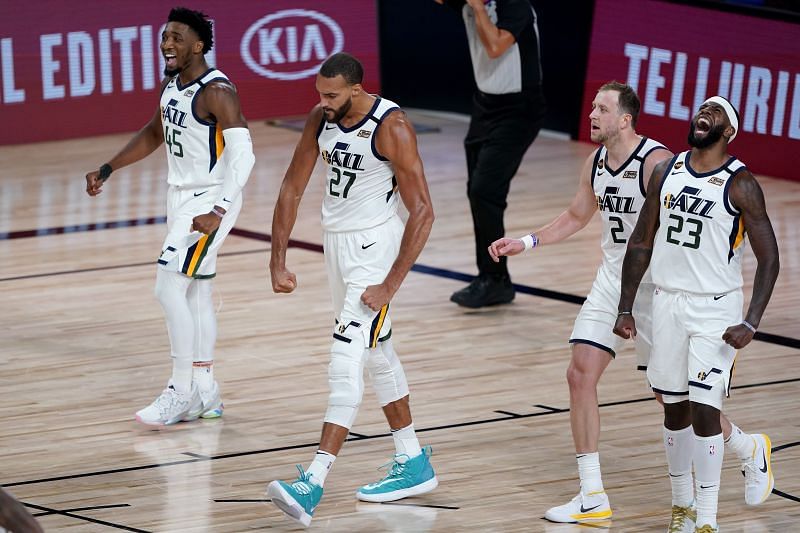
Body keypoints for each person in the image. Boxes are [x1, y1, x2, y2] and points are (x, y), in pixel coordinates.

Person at [489, 84, 773, 529]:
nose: (592, 115)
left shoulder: (659, 164)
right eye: (593, 107)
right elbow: (577, 215)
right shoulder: (596, 161)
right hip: (614, 282)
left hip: (662, 289)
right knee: (579, 372)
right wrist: (527, 241)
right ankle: (592, 495)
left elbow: (665, 235)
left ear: (626, 119)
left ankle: (746, 448)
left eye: (603, 109)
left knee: (677, 401)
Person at [266, 52, 437, 528]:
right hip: (336, 248)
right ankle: (412, 461)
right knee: (377, 352)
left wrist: (390, 284)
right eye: (319, 93)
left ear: (357, 90)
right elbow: (291, 187)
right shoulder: (320, 118)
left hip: (374, 251)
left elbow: (423, 210)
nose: (322, 102)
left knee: (345, 359)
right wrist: (277, 259)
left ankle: (313, 481)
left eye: (331, 95)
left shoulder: (391, 126)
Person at [614, 96, 779, 533]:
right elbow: (641, 241)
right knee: (674, 409)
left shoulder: (740, 183)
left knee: (705, 410)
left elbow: (770, 259)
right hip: (666, 302)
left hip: (715, 311)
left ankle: (707, 521)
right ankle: (682, 508)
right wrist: (626, 306)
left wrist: (751, 321)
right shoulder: (667, 171)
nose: (705, 113)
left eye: (717, 113)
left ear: (728, 132)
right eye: (703, 108)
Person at [84, 7, 255, 425]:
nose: (166, 44)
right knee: (195, 292)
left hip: (209, 200)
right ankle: (206, 391)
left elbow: (244, 156)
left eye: (176, 37)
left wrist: (218, 210)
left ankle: (179, 391)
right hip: (179, 197)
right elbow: (155, 132)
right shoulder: (172, 85)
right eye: (164, 37)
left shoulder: (218, 92)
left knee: (167, 286)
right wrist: (109, 167)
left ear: (198, 45)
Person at [435, 0, 546, 308]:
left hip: (519, 110)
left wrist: (478, 9)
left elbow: (496, 46)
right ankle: (491, 277)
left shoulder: (515, 5)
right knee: (477, 192)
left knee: (485, 191)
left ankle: (495, 279)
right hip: (485, 106)